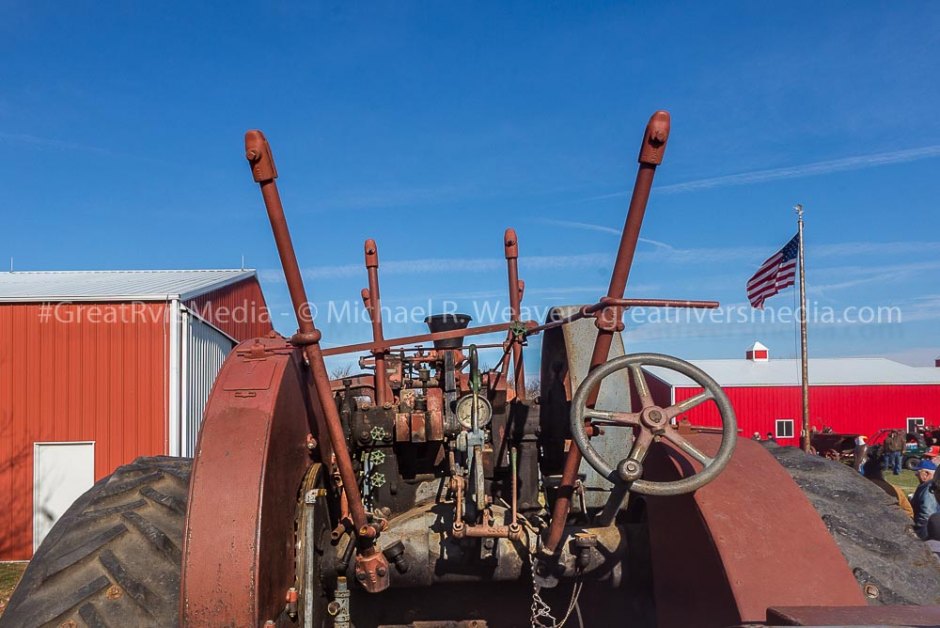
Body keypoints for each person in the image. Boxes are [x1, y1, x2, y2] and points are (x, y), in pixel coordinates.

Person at [912, 460, 939, 540]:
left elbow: (927, 513)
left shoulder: (929, 488)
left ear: (926, 474)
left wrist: (919, 532)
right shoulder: (931, 485)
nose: (916, 475)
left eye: (917, 473)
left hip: (927, 531)